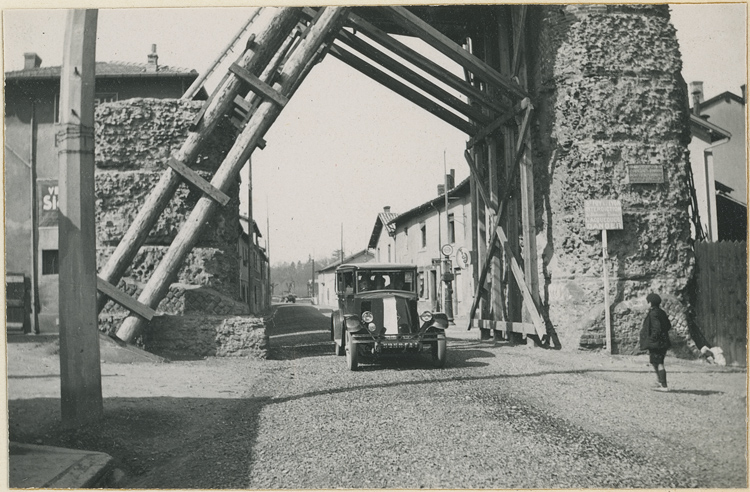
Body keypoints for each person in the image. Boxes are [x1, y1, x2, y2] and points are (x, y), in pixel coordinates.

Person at [639, 293, 672, 392]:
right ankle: (659, 381)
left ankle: (663, 384)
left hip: (657, 343)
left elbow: (656, 328)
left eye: (647, 301)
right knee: (655, 362)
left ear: (650, 303)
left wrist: (652, 339)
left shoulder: (653, 313)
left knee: (659, 363)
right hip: (663, 341)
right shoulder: (661, 312)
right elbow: (668, 326)